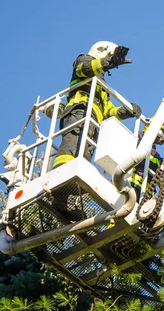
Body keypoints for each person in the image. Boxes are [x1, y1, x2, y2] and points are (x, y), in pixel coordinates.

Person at [52, 41, 142, 220]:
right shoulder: (82, 60)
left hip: (93, 123)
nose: (110, 61)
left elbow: (108, 110)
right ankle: (58, 187)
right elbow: (86, 68)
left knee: (84, 154)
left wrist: (126, 111)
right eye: (109, 57)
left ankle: (66, 200)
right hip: (79, 112)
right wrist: (110, 62)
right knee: (71, 148)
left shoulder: (101, 84)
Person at [129, 117, 164, 201]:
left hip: (145, 196)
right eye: (163, 133)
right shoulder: (136, 138)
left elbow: (160, 179)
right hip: (130, 186)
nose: (163, 139)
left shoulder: (156, 157)